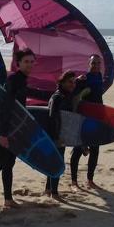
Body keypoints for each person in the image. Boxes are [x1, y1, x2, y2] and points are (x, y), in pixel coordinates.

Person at [0, 48, 52, 211]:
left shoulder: (22, 80)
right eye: (26, 61)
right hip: (5, 131)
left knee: (8, 164)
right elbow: (6, 107)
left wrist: (58, 91)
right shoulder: (14, 80)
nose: (29, 64)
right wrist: (2, 134)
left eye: (31, 61)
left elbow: (32, 94)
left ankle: (8, 199)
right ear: (18, 63)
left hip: (13, 130)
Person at [70, 54, 105, 190]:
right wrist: (77, 80)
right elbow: (75, 97)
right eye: (93, 63)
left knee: (95, 149)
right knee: (78, 149)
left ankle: (90, 180)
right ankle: (74, 182)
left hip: (97, 116)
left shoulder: (99, 77)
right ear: (88, 64)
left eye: (98, 63)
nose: (96, 65)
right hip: (84, 118)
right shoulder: (84, 78)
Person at [44, 70, 76, 199]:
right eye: (70, 82)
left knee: (54, 162)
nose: (72, 84)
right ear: (62, 82)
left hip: (60, 134)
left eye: (73, 82)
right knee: (58, 163)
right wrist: (56, 137)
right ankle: (55, 193)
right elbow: (52, 118)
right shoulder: (57, 97)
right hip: (55, 135)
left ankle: (48, 189)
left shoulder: (65, 95)